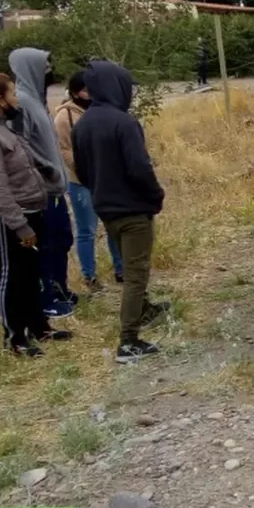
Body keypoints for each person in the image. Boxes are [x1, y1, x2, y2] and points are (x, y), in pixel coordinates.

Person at [72, 60, 169, 363]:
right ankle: (128, 341)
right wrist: (155, 195)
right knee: (136, 273)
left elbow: (82, 170)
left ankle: (144, 308)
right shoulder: (124, 123)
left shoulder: (83, 123)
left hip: (105, 207)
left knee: (130, 264)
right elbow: (139, 168)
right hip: (132, 209)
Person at [0, 71, 72, 356]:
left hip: (33, 209)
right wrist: (20, 226)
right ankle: (15, 339)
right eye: (12, 95)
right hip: (9, 218)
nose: (17, 100)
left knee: (32, 272)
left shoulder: (5, 128)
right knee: (14, 275)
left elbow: (27, 156)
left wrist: (48, 171)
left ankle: (39, 327)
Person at [8, 47, 76, 319]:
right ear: (31, 68)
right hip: (41, 191)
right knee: (45, 247)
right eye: (46, 67)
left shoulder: (37, 99)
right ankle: (45, 299)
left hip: (56, 190)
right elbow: (19, 145)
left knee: (62, 241)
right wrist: (46, 169)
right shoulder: (22, 103)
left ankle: (60, 290)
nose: (50, 71)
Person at [55, 70, 124, 291]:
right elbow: (64, 150)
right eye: (85, 90)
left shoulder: (103, 109)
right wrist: (84, 169)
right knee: (87, 230)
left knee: (114, 226)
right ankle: (89, 276)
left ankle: (121, 269)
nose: (90, 93)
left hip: (106, 178)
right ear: (76, 92)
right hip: (81, 182)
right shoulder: (64, 117)